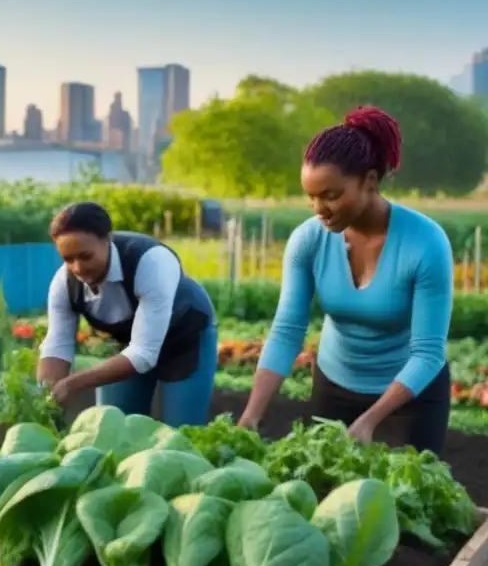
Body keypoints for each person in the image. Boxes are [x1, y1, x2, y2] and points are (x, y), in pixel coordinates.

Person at [238, 106, 453, 453]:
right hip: (334, 387)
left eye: (331, 195)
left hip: (408, 395)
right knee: (325, 496)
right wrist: (251, 416)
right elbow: (287, 331)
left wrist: (371, 419)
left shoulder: (426, 243)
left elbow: (428, 353)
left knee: (407, 501)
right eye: (310, 196)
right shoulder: (309, 240)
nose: (318, 208)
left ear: (369, 181)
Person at [37, 201, 218, 425]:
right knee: (112, 427)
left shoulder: (151, 261)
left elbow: (143, 354)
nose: (77, 268)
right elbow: (57, 344)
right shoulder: (64, 283)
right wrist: (46, 393)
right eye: (68, 259)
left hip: (185, 342)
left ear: (107, 239)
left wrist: (72, 383)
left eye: (85, 256)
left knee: (180, 432)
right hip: (130, 347)